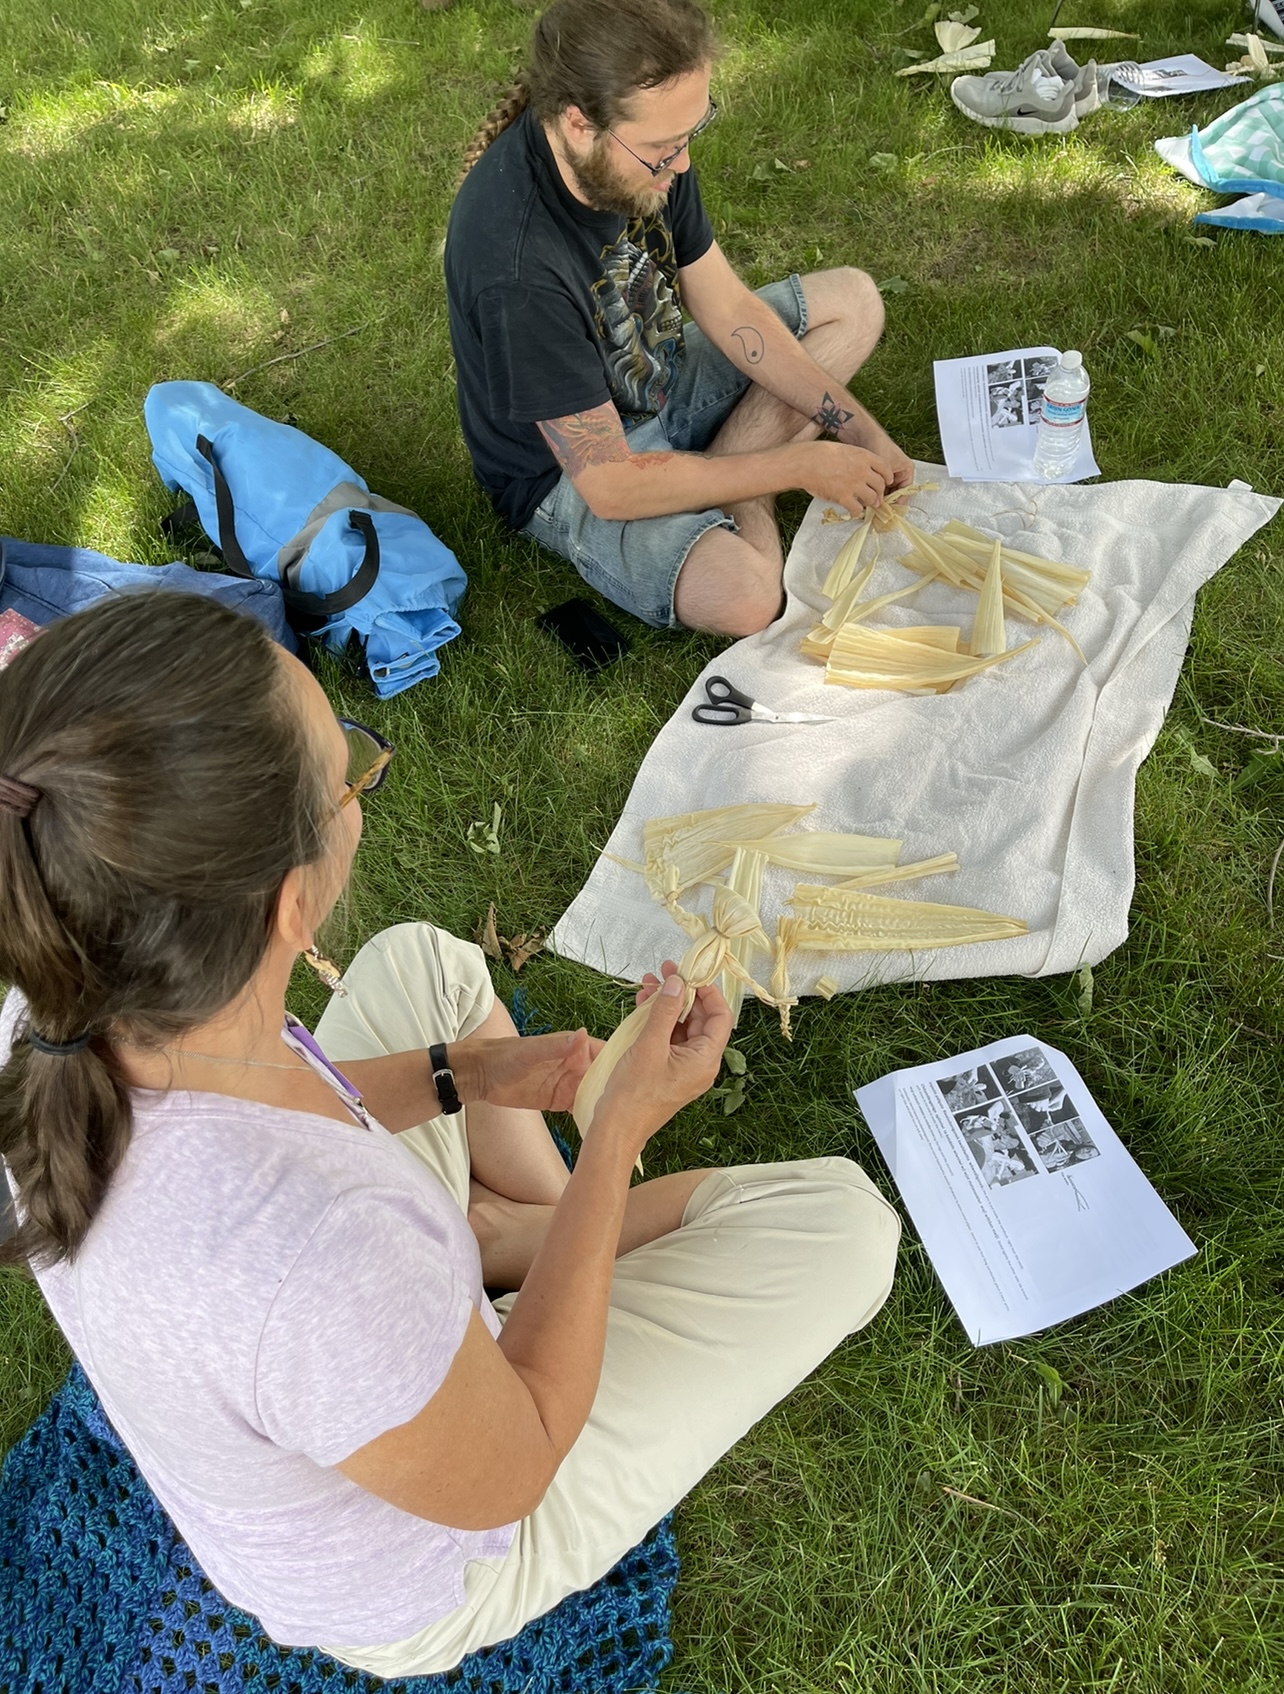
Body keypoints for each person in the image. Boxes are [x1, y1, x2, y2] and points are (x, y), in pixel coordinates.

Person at [0, 592, 900, 1677]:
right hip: (438, 1555)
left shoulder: (53, 1002)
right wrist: (612, 1134)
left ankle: (497, 1231)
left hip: (337, 1321)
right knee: (845, 1222)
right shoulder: (316, 1245)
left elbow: (273, 1105)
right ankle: (518, 1236)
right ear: (291, 901)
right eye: (352, 769)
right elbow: (517, 1458)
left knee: (422, 963)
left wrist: (471, 1073)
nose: (364, 782)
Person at [444, 0, 913, 640]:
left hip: (656, 377)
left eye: (692, 132)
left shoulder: (645, 156)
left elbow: (728, 309)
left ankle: (726, 476)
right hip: (571, 473)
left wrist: (858, 430)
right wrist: (794, 467)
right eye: (666, 147)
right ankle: (741, 485)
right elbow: (609, 483)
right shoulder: (515, 267)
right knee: (747, 595)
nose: (684, 163)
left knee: (854, 302)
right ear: (579, 125)